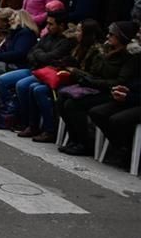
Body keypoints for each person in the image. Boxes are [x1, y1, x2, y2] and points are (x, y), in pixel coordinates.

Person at [57, 21, 141, 156]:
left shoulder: (129, 57)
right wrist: (84, 74)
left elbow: (120, 81)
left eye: (112, 34)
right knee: (62, 98)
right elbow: (94, 71)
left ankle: (85, 143)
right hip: (97, 86)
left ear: (121, 37)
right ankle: (74, 139)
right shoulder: (104, 50)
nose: (108, 36)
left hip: (109, 91)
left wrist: (93, 81)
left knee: (73, 105)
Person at [3, 10, 75, 140]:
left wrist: (39, 55)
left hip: (52, 74)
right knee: (4, 80)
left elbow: (49, 58)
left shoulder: (67, 41)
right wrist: (40, 56)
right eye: (47, 23)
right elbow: (31, 52)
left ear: (61, 25)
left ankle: (44, 128)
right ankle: (21, 120)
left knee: (27, 86)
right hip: (36, 69)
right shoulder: (47, 36)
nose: (48, 27)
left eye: (51, 24)